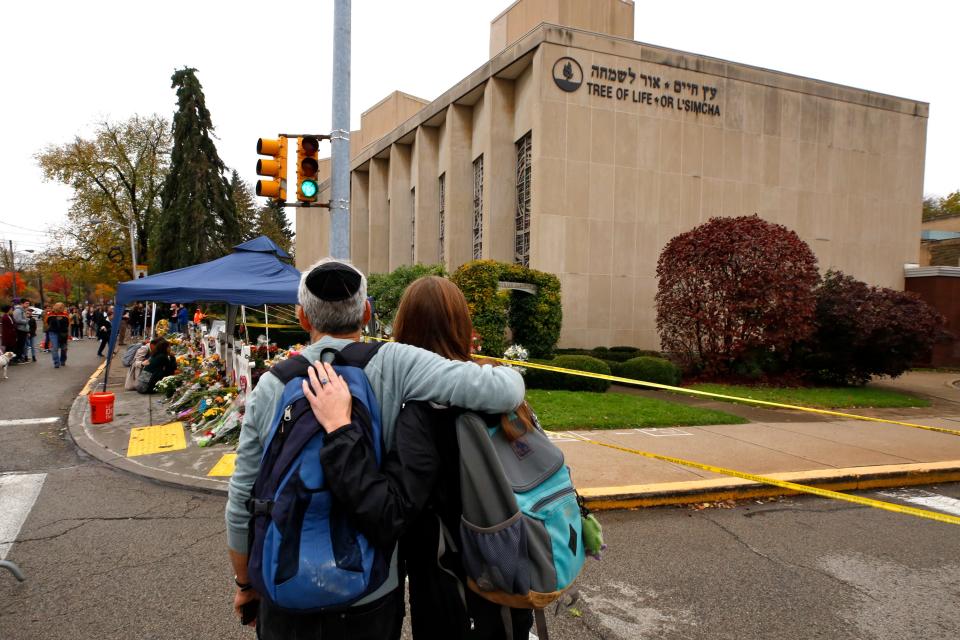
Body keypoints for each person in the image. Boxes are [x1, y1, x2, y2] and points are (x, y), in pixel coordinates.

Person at [225, 259, 526, 639]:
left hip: (284, 591)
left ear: (302, 318)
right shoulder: (396, 364)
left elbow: (240, 504)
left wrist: (244, 585)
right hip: (371, 591)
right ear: (366, 314)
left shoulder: (271, 384)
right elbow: (506, 391)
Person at [305, 276, 534, 639]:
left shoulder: (420, 412)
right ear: (463, 324)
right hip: (513, 563)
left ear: (404, 327)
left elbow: (392, 510)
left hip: (451, 583)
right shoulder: (499, 393)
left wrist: (340, 430)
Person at [46, 303, 70, 368]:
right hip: (53, 333)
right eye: (61, 307)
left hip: (63, 333)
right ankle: (56, 362)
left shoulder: (65, 315)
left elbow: (68, 324)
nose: (63, 308)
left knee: (64, 348)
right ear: (57, 307)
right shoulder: (50, 314)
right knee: (55, 347)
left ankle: (63, 360)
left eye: (63, 307)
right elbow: (47, 322)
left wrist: (68, 334)